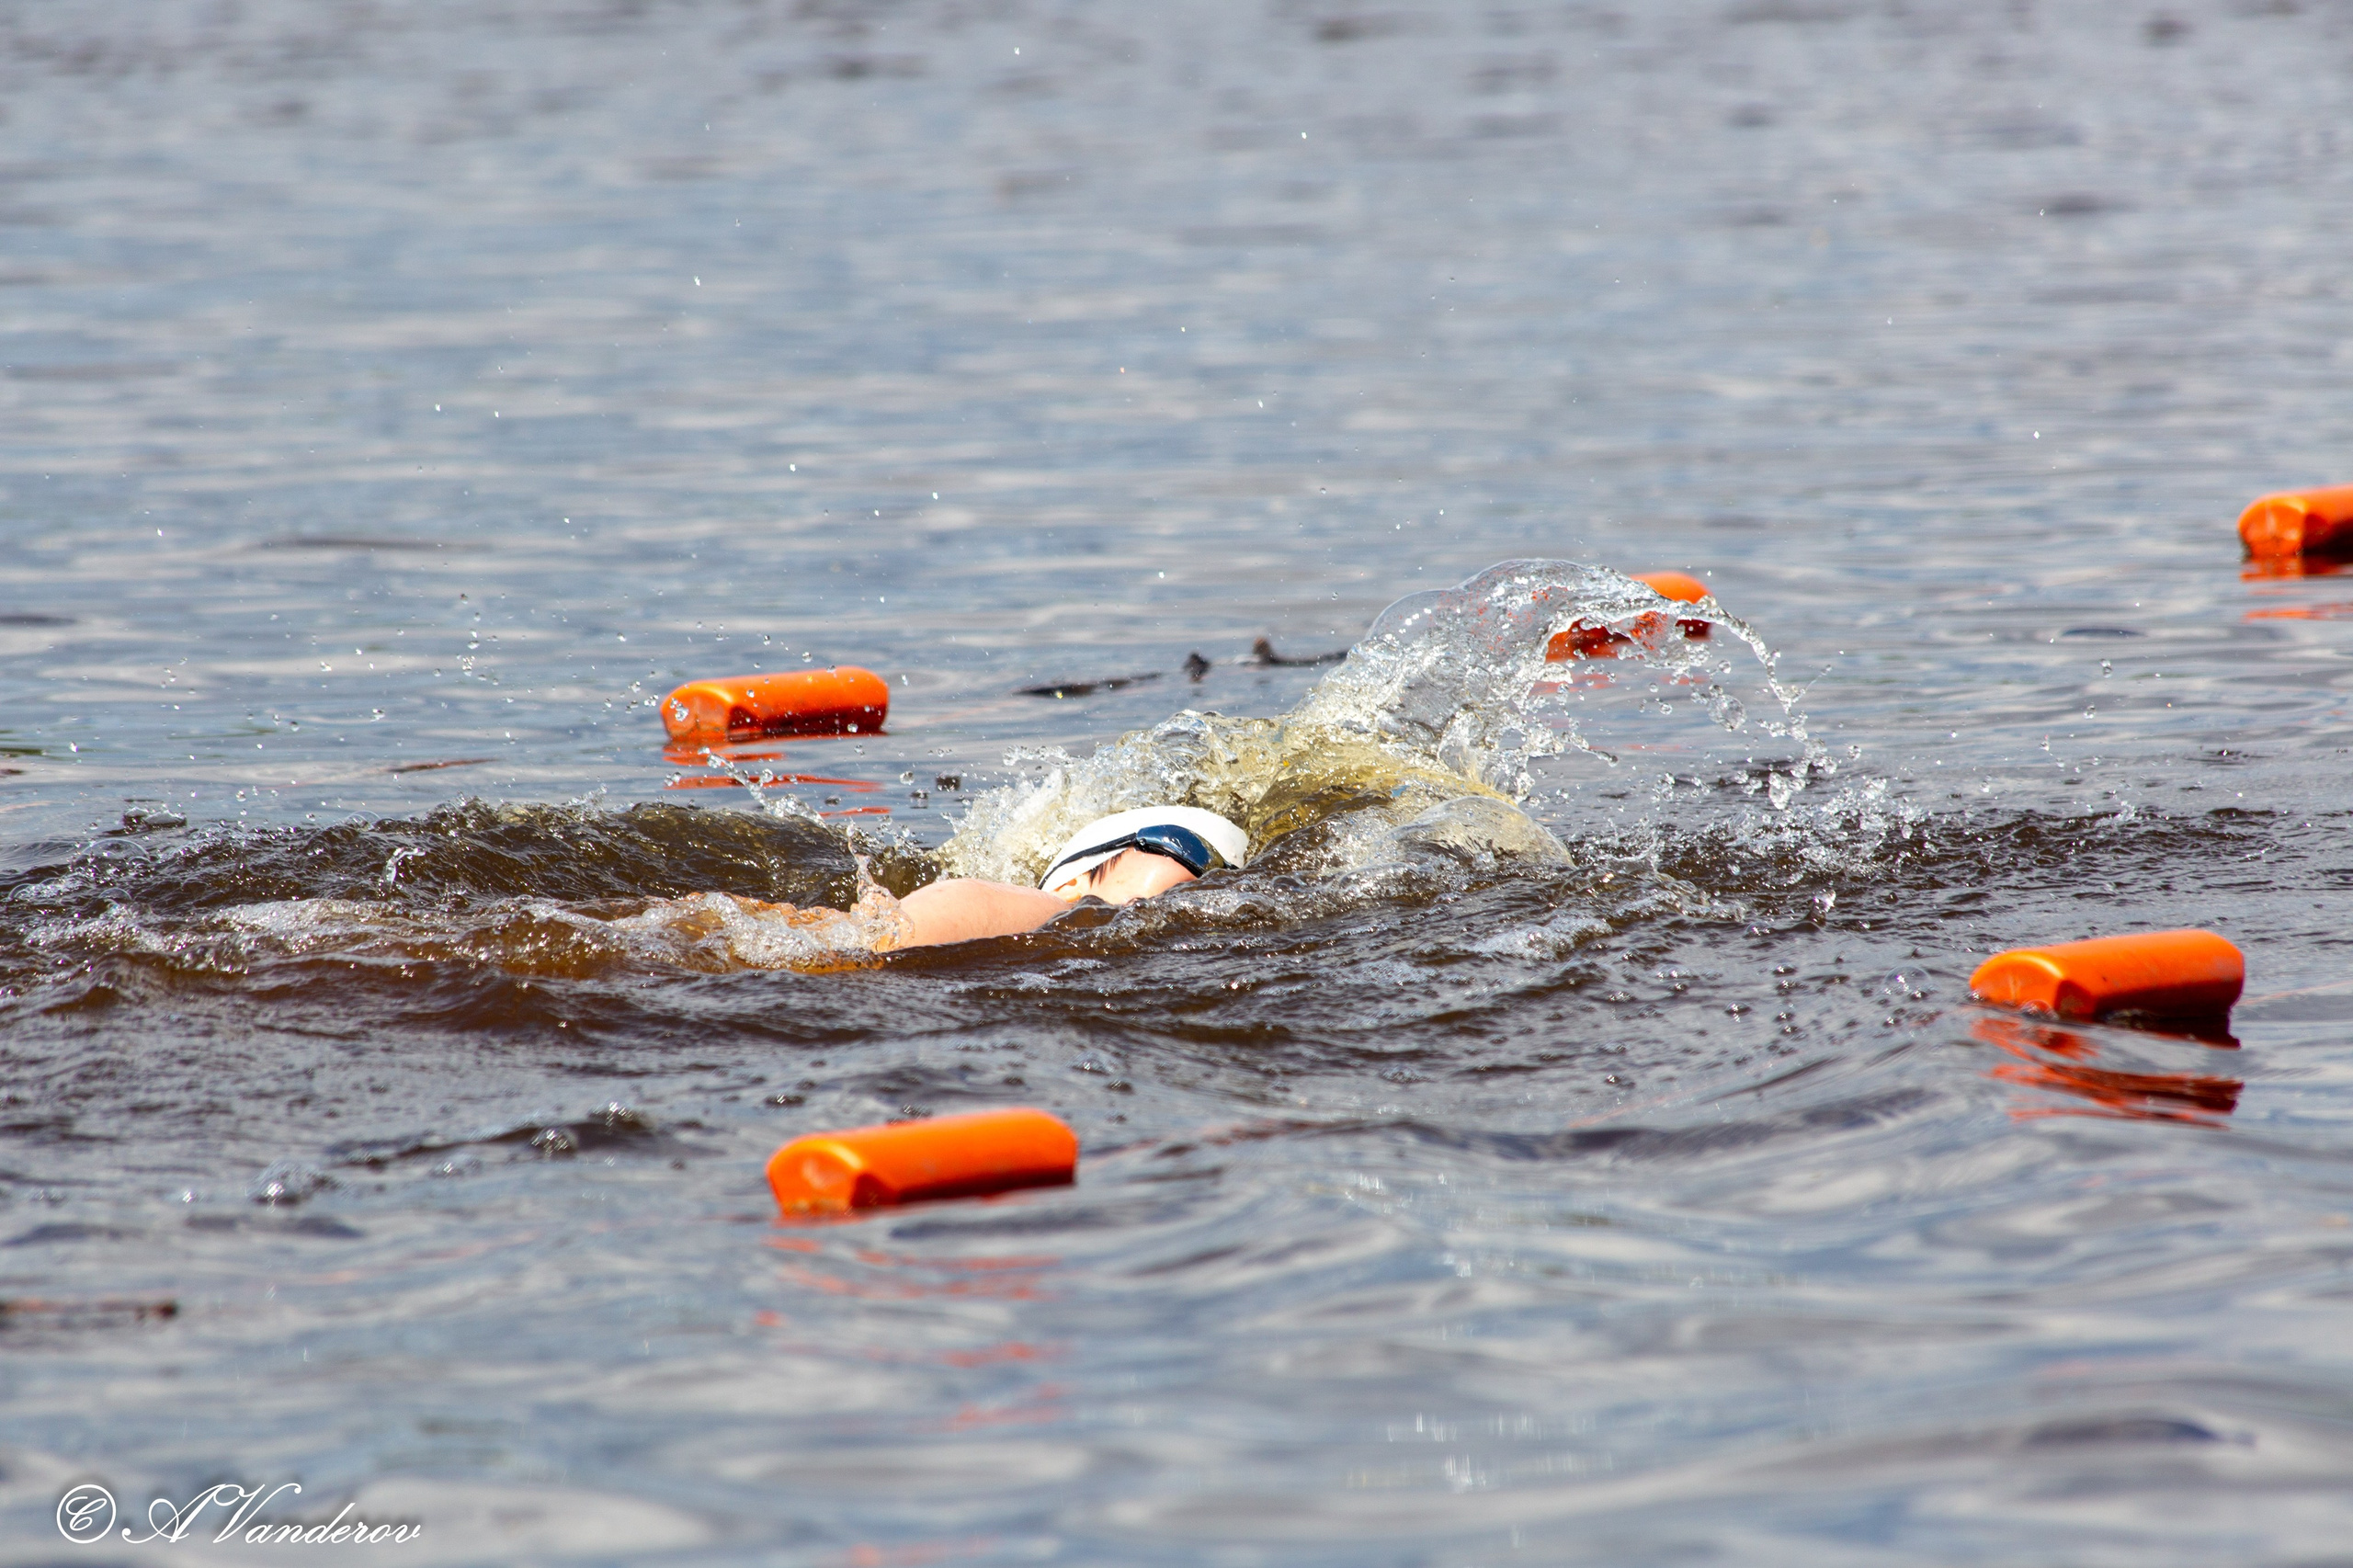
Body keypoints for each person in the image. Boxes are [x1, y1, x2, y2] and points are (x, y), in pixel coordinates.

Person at [893, 806, 1247, 949]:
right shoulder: (1054, 911)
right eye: (1187, 848)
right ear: (1072, 883)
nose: (1212, 881)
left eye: (1228, 877)